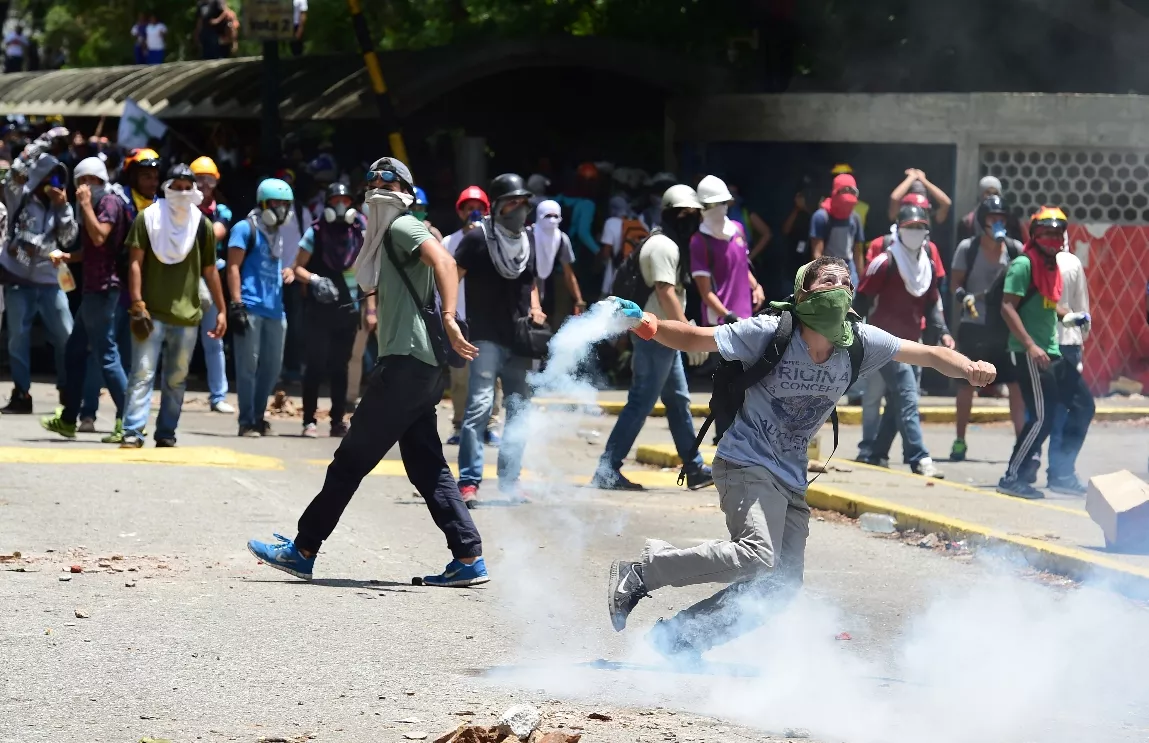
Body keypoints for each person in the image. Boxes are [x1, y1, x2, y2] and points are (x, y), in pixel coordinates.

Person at [602, 257, 996, 659]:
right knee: (756, 555)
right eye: (828, 281)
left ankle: (680, 639)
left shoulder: (858, 341)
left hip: (791, 477)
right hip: (746, 460)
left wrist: (969, 368)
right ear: (803, 292)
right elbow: (695, 338)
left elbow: (927, 353)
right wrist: (645, 322)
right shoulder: (771, 331)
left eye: (846, 281)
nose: (840, 288)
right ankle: (642, 572)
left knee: (780, 587)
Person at [246, 156, 488, 587]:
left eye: (387, 178)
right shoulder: (388, 232)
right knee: (427, 465)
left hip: (407, 365)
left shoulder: (401, 226)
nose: (377, 184)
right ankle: (468, 556)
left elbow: (446, 264)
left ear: (403, 190)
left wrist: (450, 317)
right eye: (371, 178)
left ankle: (302, 550)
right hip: (421, 369)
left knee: (349, 462)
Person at [589, 184, 714, 492]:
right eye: (686, 214)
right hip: (654, 336)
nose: (692, 220)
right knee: (641, 402)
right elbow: (664, 290)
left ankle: (695, 467)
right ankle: (607, 470)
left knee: (677, 401)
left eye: (694, 214)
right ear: (673, 215)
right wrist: (690, 335)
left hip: (661, 336)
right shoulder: (663, 246)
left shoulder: (668, 243)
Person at [452, 173, 544, 506]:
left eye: (524, 203)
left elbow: (530, 283)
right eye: (513, 203)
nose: (520, 210)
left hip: (519, 337)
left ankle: (510, 482)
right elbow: (451, 273)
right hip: (485, 336)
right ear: (500, 206)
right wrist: (448, 316)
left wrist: (536, 309)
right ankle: (469, 482)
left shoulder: (528, 241)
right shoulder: (477, 239)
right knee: (479, 407)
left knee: (519, 410)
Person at [120, 164, 226, 448]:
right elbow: (134, 262)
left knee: (176, 380)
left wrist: (222, 308)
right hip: (150, 313)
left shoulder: (201, 225)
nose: (181, 193)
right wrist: (137, 301)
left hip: (187, 316)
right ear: (166, 188)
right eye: (176, 187)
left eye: (186, 187)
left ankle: (166, 432)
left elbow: (210, 270)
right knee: (142, 374)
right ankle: (132, 430)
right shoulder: (148, 218)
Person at [853, 204, 951, 478]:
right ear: (899, 228)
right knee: (907, 394)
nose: (915, 232)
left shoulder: (927, 264)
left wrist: (942, 330)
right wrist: (849, 334)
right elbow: (860, 299)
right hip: (884, 341)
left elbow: (931, 302)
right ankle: (919, 457)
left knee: (899, 400)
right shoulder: (884, 262)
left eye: (921, 227)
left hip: (913, 341)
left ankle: (877, 453)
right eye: (910, 227)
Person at [997, 207, 1087, 499]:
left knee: (1084, 405)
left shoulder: (1054, 268)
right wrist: (1030, 346)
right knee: (1042, 418)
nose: (1053, 237)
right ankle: (1012, 477)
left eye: (1058, 232)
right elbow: (1007, 307)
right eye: (1047, 232)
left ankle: (1061, 470)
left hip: (1051, 350)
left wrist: (1069, 316)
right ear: (1035, 235)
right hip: (1029, 353)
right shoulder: (1024, 264)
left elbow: (1048, 303)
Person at [40, 157, 132, 442]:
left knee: (106, 355)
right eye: (81, 181)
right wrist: (68, 257)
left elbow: (100, 236)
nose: (84, 187)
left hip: (104, 290)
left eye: (88, 181)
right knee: (75, 351)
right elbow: (91, 249)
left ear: (98, 180)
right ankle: (69, 418)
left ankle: (130, 421)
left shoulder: (109, 203)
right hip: (92, 288)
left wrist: (84, 205)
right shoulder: (97, 205)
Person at [949, 194, 1025, 461]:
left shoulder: (1015, 250)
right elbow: (955, 282)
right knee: (966, 383)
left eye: (1002, 219)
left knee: (1014, 384)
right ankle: (959, 440)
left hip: (1003, 327)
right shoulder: (967, 249)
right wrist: (961, 295)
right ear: (983, 222)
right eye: (993, 219)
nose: (998, 223)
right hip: (974, 325)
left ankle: (1021, 444)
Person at [0, 151, 76, 414]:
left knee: (65, 335)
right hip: (18, 278)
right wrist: (37, 147)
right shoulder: (19, 197)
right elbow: (11, 178)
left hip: (51, 280)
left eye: (60, 178)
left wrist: (63, 207)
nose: (55, 183)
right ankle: (22, 393)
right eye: (50, 176)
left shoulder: (62, 206)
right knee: (17, 338)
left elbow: (67, 240)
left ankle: (68, 389)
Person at [294, 182, 370, 438]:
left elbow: (369, 273)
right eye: (336, 200)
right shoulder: (315, 232)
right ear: (326, 204)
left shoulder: (359, 231)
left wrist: (369, 308)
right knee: (314, 365)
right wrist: (315, 280)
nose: (341, 206)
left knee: (341, 367)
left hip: (348, 310)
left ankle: (338, 419)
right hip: (319, 310)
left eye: (346, 201)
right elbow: (298, 267)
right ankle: (309, 420)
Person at [227, 178, 293, 437]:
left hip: (275, 310)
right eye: (277, 203)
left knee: (272, 367)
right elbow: (233, 266)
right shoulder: (245, 228)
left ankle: (258, 415)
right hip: (251, 306)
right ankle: (247, 421)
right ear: (263, 204)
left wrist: (286, 272)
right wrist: (237, 303)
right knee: (247, 366)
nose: (282, 210)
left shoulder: (277, 234)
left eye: (286, 205)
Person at [1025, 244, 1093, 495]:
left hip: (1059, 344)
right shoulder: (1029, 263)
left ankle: (1052, 468)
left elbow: (1069, 307)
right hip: (1047, 346)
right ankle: (1039, 467)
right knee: (1047, 412)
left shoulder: (1064, 263)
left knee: (1054, 411)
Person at [442, 186, 502, 446]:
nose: (473, 212)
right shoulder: (448, 242)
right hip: (459, 318)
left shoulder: (495, 240)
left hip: (489, 319)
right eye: (468, 208)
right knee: (460, 377)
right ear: (460, 211)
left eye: (479, 208)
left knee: (491, 377)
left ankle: (489, 425)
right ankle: (459, 424)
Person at [691, 175, 765, 326]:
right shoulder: (699, 241)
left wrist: (756, 287)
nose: (718, 208)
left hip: (745, 318)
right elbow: (705, 292)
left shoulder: (738, 229)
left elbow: (743, 267)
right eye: (712, 205)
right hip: (718, 324)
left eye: (722, 203)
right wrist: (728, 316)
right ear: (702, 207)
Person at [191, 155, 234, 414]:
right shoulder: (181, 206)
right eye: (199, 179)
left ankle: (218, 396)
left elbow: (215, 233)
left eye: (209, 180)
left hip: (210, 279)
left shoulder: (222, 211)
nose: (204, 185)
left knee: (213, 339)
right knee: (175, 338)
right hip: (183, 277)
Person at [530, 199, 585, 321]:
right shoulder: (528, 235)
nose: (552, 220)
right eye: (547, 216)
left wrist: (579, 300)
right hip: (526, 288)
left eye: (556, 216)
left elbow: (568, 273)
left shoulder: (561, 239)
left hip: (547, 288)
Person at [810, 173, 865, 286]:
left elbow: (857, 252)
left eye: (852, 191)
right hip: (828, 269)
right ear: (835, 192)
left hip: (850, 271)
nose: (848, 194)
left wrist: (862, 281)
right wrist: (824, 280)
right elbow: (817, 253)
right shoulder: (821, 217)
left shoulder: (855, 218)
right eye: (844, 190)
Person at [957, 176, 1027, 244]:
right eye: (988, 193)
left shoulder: (1011, 221)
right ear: (981, 194)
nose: (992, 196)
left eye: (995, 193)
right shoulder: (968, 223)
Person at [121, 148, 161, 216]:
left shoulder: (160, 205)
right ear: (132, 178)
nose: (154, 184)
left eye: (156, 178)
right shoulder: (118, 202)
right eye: (147, 177)